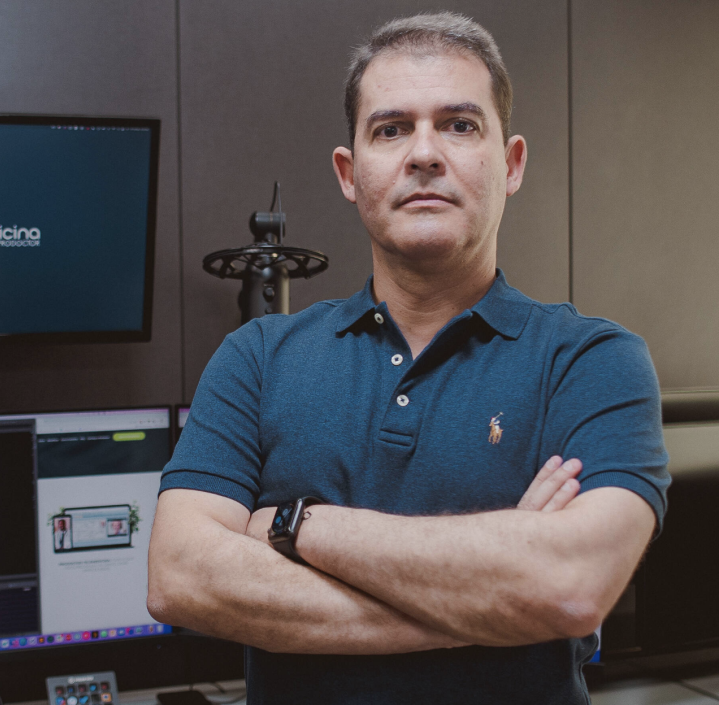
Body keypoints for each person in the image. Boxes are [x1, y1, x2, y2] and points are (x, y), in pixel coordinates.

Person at [146, 11, 670, 705]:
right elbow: (179, 576)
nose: (424, 153)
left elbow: (570, 586)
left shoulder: (592, 360)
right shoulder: (257, 358)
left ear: (511, 163)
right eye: (391, 129)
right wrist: (491, 602)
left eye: (459, 125)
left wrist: (296, 525)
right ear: (350, 172)